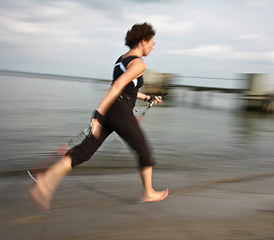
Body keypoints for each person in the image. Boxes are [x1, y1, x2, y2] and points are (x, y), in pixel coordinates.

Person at [29, 22, 169, 211]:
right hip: (119, 113)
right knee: (144, 151)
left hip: (111, 111)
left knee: (84, 152)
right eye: (152, 43)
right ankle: (148, 192)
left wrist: (148, 97)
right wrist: (97, 114)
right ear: (143, 41)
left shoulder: (122, 59)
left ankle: (46, 181)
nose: (152, 47)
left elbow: (127, 88)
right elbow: (117, 88)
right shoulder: (139, 63)